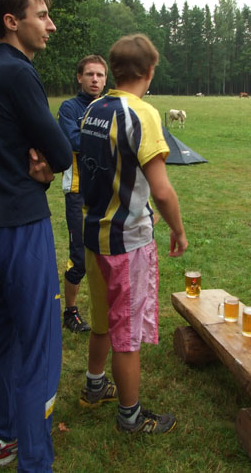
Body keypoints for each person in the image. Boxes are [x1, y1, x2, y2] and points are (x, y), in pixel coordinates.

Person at [0, 0, 72, 469]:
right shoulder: (18, 73)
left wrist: (40, 170)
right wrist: (48, 170)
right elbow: (60, 152)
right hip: (20, 231)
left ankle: (4, 437)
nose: (50, 25)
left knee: (2, 337)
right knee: (38, 347)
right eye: (42, 15)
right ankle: (35, 460)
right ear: (13, 22)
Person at [78, 34, 188, 434]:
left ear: (114, 68)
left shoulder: (94, 108)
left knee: (100, 319)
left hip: (94, 233)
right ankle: (130, 416)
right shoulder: (142, 113)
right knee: (126, 331)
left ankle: (94, 387)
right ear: (149, 72)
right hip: (127, 241)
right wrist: (178, 229)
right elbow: (161, 189)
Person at [57, 55, 108, 333]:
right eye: (89, 74)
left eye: (100, 75)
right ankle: (70, 311)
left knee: (108, 251)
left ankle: (108, 307)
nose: (95, 80)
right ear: (79, 77)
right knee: (79, 255)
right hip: (78, 191)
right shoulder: (69, 108)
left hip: (106, 190)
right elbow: (73, 141)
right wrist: (105, 139)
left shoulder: (110, 106)